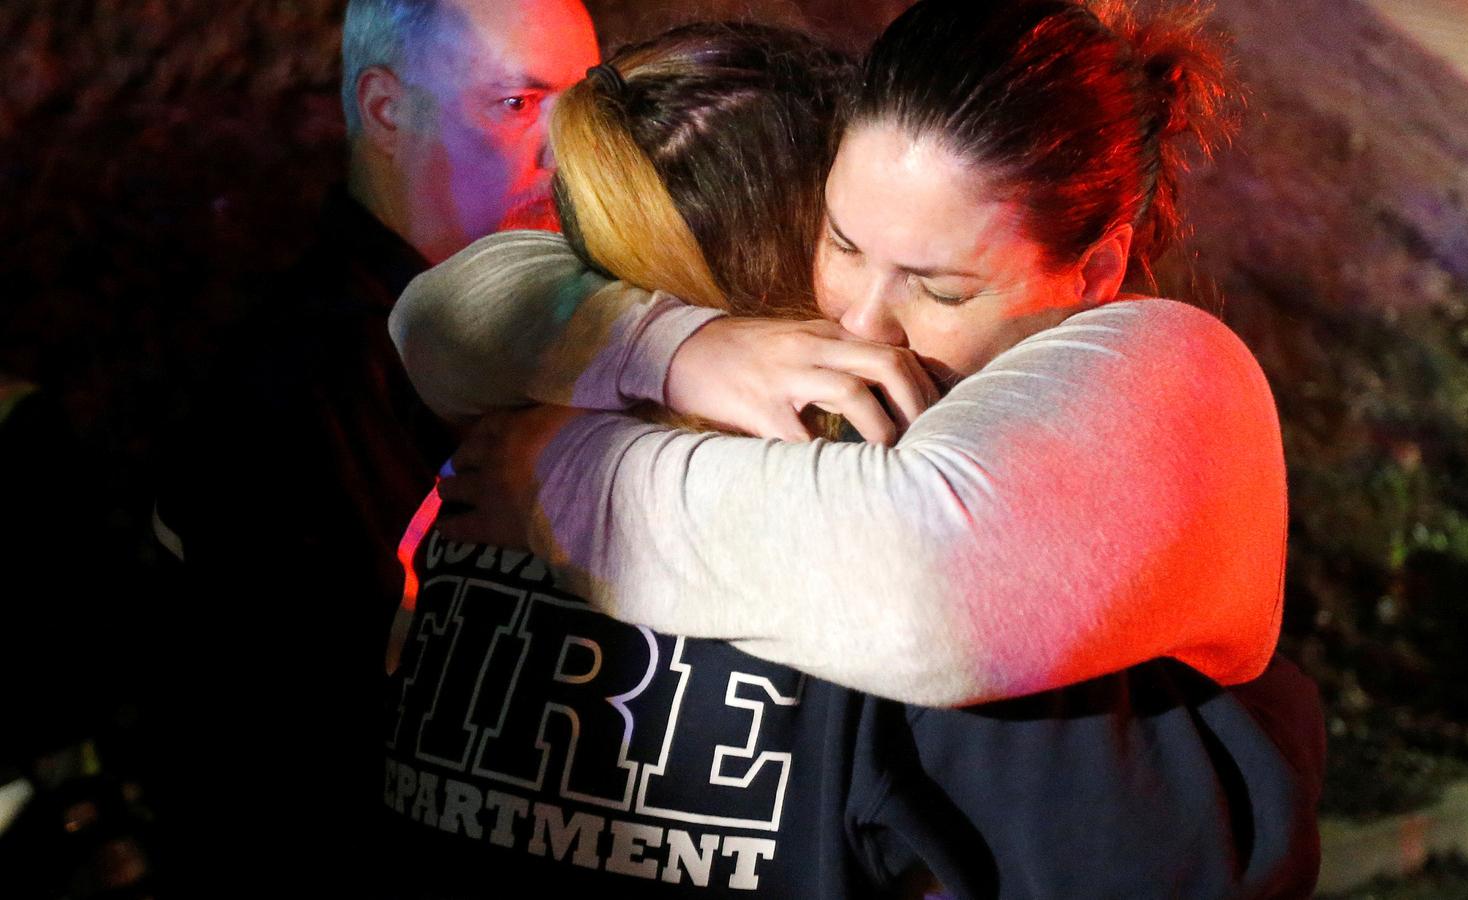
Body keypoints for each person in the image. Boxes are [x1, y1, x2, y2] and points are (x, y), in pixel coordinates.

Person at [389, 3, 1321, 896]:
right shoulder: (913, 580)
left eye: (941, 289)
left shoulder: (495, 454)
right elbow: (1181, 865)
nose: (865, 322)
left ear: (1098, 272)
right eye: (840, 243)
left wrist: (559, 468)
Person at [146, 1, 598, 894]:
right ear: (386, 109)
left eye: (586, 108)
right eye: (515, 105)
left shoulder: (487, 333)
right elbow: (324, 760)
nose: (566, 153)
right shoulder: (313, 383)